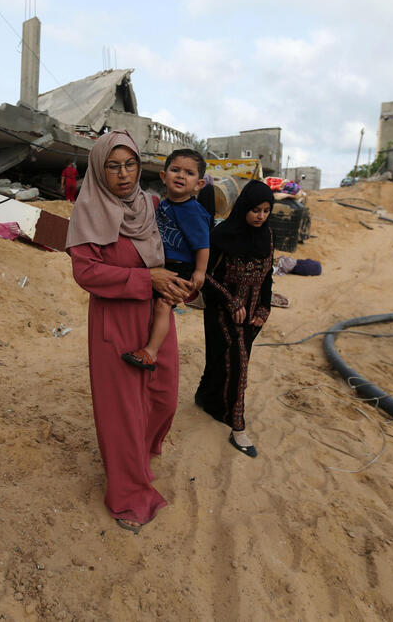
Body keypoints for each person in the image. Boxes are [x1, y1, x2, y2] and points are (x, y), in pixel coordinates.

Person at [66, 130, 192, 534]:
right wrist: (147, 280)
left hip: (157, 314)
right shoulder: (89, 209)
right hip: (115, 319)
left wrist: (173, 283)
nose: (123, 174)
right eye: (113, 166)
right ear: (100, 170)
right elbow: (86, 271)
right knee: (122, 412)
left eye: (131, 164)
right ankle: (128, 495)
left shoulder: (148, 204)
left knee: (163, 398)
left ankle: (142, 455)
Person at [193, 181, 275, 458]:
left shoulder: (267, 236)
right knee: (238, 367)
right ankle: (237, 426)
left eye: (266, 211)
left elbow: (267, 278)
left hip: (252, 317)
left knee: (223, 360)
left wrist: (265, 309)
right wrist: (231, 300)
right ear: (243, 207)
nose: (260, 216)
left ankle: (208, 400)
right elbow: (206, 277)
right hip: (221, 310)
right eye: (255, 210)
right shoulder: (222, 235)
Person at [122, 149, 212, 370]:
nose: (181, 176)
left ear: (199, 184)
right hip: (162, 263)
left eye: (189, 173)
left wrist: (200, 272)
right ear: (164, 176)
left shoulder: (193, 211)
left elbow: (203, 245)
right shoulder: (163, 205)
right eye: (175, 170)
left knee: (163, 305)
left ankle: (151, 352)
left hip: (180, 267)